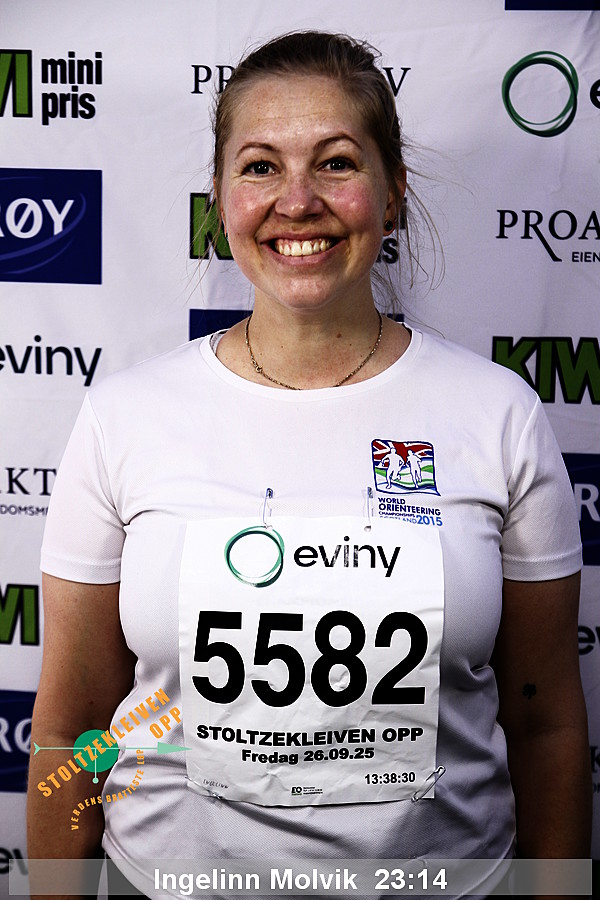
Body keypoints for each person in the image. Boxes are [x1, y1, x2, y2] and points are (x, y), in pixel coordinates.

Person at [28, 30, 590, 899]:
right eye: (260, 167)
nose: (297, 201)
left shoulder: (498, 413)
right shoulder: (124, 417)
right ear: (221, 199)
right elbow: (73, 727)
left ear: (392, 194)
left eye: (335, 163)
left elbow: (544, 719)